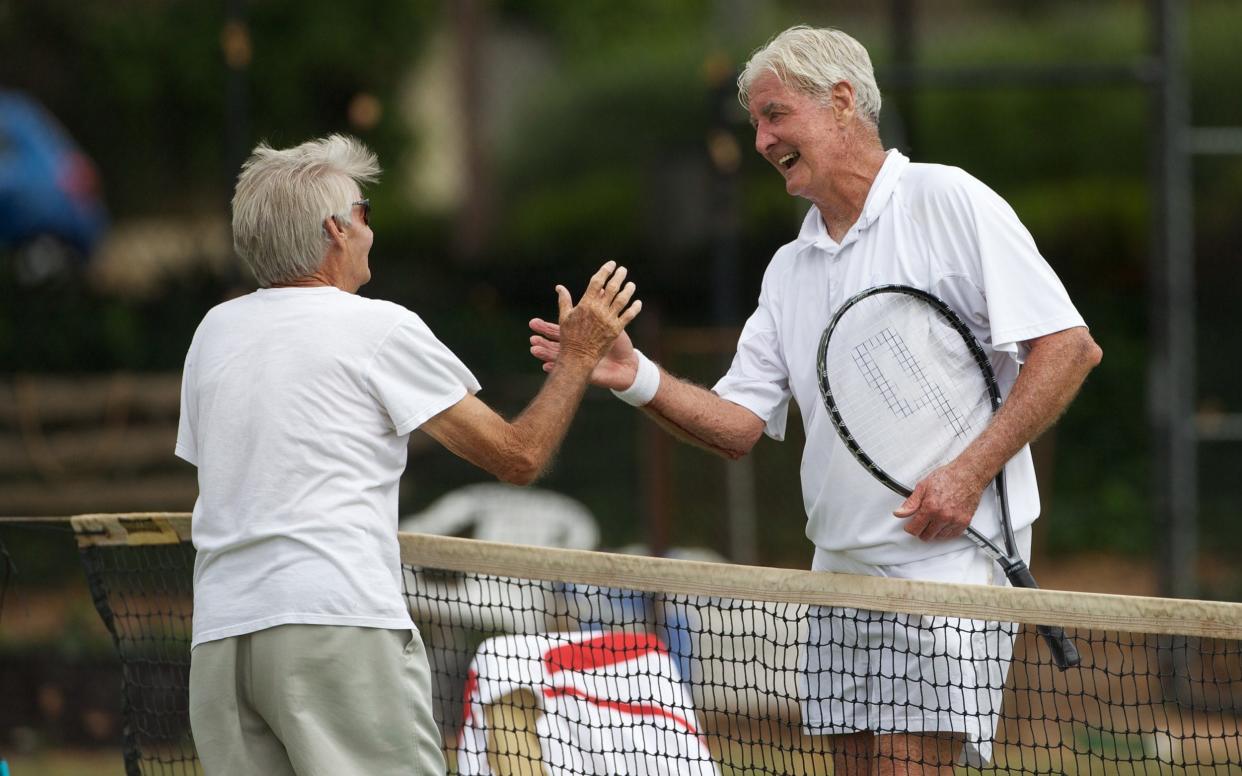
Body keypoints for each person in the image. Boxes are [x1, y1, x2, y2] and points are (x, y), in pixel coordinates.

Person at [529, 25, 1102, 776]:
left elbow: (1068, 347)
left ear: (840, 103)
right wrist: (635, 377)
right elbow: (738, 426)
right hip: (836, 569)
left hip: (945, 568)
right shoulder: (790, 269)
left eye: (775, 115)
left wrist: (968, 474)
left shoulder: (946, 199)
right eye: (756, 122)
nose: (762, 139)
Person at [176, 134, 639, 776]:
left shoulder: (212, 333)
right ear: (336, 230)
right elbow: (520, 457)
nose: (371, 228)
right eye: (364, 212)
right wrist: (581, 356)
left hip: (220, 636)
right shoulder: (377, 327)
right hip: (337, 625)